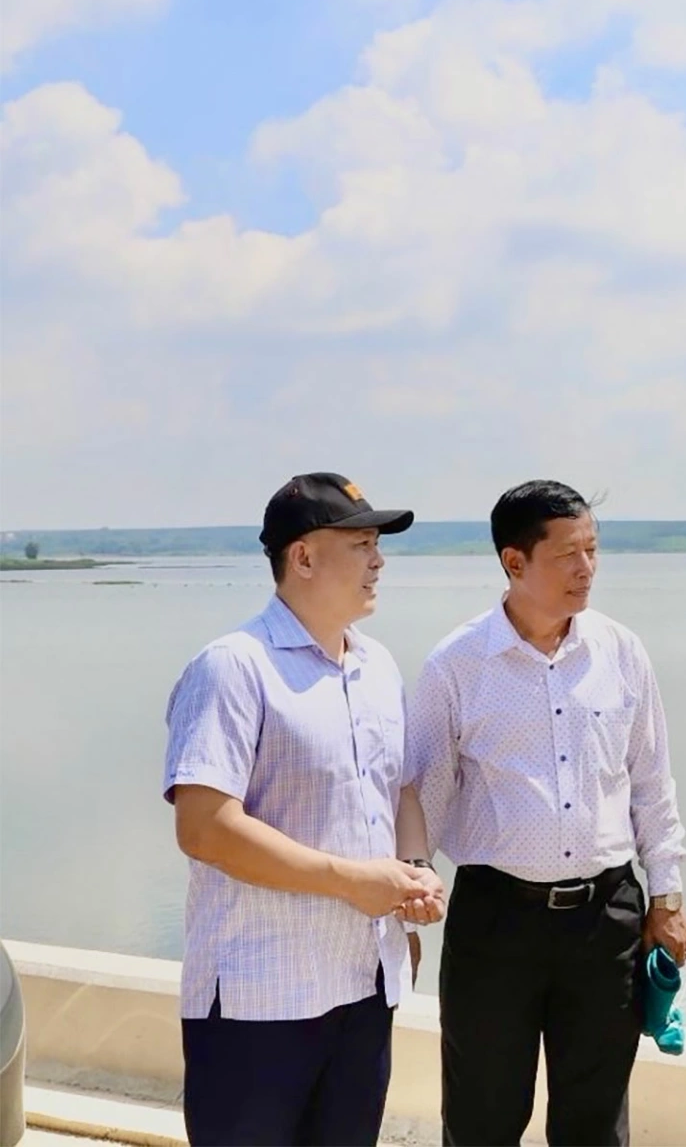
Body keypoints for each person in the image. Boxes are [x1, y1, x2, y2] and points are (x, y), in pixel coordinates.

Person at [404, 480, 686, 1147]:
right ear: (514, 562)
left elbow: (651, 782)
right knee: (483, 1117)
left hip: (607, 919)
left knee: (595, 1123)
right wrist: (406, 893)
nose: (586, 568)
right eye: (567, 555)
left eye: (593, 549)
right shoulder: (456, 666)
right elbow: (420, 796)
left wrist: (668, 896)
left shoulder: (620, 651)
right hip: (495, 921)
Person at [162, 473, 444, 1147]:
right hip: (259, 1000)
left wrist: (411, 874)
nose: (379, 561)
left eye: (379, 545)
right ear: (304, 557)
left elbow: (399, 788)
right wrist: (352, 881)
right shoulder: (234, 667)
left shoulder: (376, 668)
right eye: (362, 544)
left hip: (363, 985)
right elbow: (205, 829)